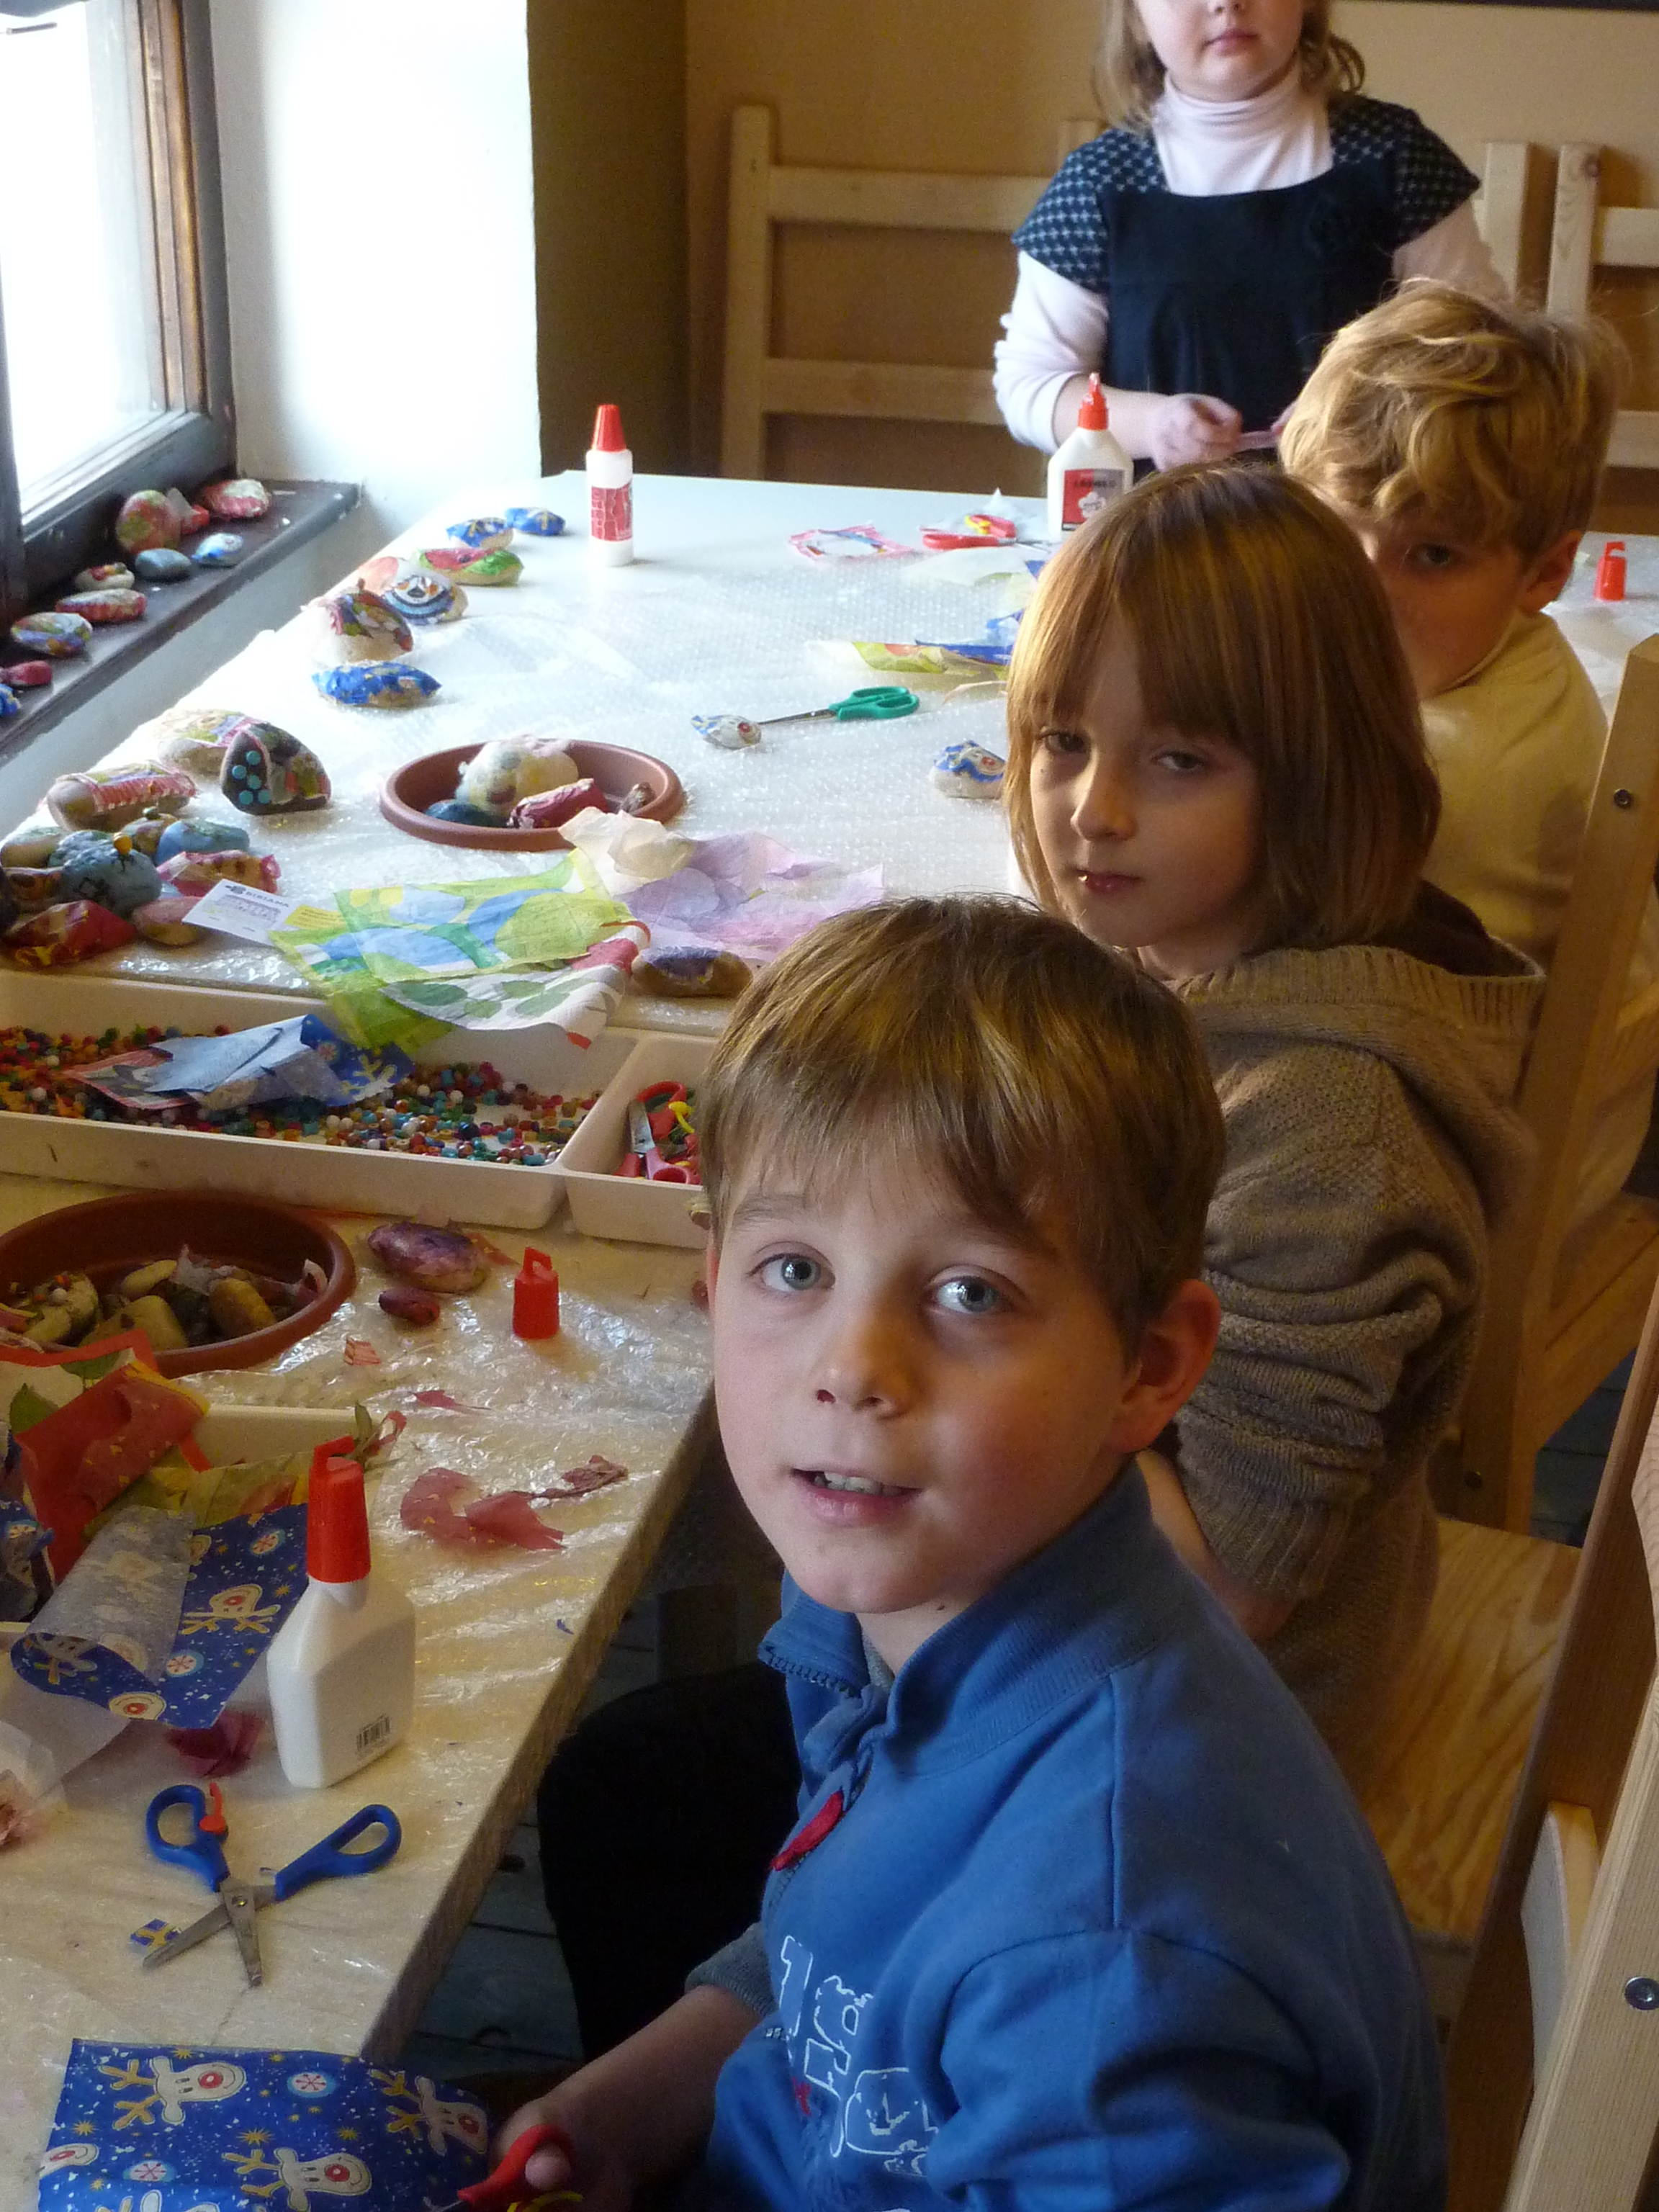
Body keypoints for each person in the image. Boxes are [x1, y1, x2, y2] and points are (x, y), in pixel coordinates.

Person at [504, 896, 1447, 2209]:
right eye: (794, 1269)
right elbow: (851, 1931)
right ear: (711, 1282)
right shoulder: (914, 1598)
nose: (851, 1369)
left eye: (969, 1293)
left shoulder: (1101, 1968)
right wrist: (634, 2101)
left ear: (1148, 1368)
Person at [1003, 462, 1540, 1773]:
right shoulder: (1178, 955)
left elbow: (1233, 1592)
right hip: (1091, 1633)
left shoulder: (1327, 1130)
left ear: (1312, 780)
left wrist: (990, 1359)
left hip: (1197, 1735)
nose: (1093, 811)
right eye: (1062, 741)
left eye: (1178, 759)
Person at [1280, 279, 1659, 1217]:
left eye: (1433, 555)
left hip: (1474, 1191)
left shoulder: (1436, 776)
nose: (1364, 594)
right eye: (1336, 531)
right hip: (1522, 1125)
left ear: (1546, 570)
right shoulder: (1508, 658)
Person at [994, 0, 1501, 468]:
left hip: (1355, 522)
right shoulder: (1098, 185)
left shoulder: (1395, 156)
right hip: (1161, 524)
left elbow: (1479, 346)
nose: (1225, 3)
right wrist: (1152, 426)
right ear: (1135, 20)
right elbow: (1032, 386)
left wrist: (1363, 409)